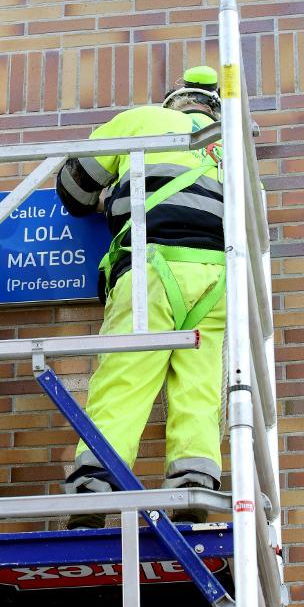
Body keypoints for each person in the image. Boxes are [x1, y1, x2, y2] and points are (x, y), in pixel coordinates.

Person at [56, 66, 225, 528]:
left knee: (124, 381)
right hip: (219, 280)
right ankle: (195, 485)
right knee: (199, 389)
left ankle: (95, 488)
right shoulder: (231, 146)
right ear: (212, 104)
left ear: (174, 100)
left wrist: (112, 195)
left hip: (151, 268)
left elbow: (73, 186)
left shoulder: (142, 119)